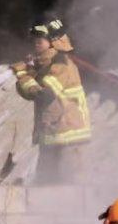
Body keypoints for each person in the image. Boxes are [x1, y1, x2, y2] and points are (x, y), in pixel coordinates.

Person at [15, 19, 92, 184]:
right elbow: (32, 91)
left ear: (53, 43)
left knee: (69, 185)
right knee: (46, 183)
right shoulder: (46, 65)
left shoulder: (62, 65)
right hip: (53, 134)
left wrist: (23, 75)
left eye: (40, 40)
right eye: (34, 40)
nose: (35, 44)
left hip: (68, 138)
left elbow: (43, 95)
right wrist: (30, 71)